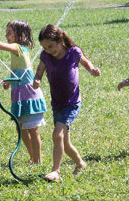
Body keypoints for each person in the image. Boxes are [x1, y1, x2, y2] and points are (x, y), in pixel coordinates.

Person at [33, 24, 101, 181]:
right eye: (45, 47)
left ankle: (55, 171)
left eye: (50, 46)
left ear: (60, 39)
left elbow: (86, 63)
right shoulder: (46, 56)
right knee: (64, 141)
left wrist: (92, 71)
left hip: (72, 102)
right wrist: (37, 80)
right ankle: (80, 163)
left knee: (57, 134)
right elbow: (39, 71)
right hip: (57, 103)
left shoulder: (73, 52)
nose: (49, 50)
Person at [0, 20, 47, 164]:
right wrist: (9, 81)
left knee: (33, 130)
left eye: (9, 32)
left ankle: (38, 160)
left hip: (29, 96)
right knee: (21, 129)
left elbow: (2, 46)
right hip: (19, 96)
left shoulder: (18, 48)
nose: (6, 34)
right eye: (6, 32)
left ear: (20, 35)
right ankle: (33, 157)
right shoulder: (18, 51)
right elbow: (18, 72)